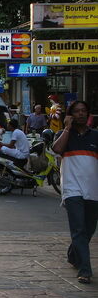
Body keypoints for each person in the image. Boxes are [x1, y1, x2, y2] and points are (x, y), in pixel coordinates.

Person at [53, 101, 98, 284]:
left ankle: (73, 254)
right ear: (70, 115)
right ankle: (85, 269)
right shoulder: (64, 135)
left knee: (88, 229)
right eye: (76, 112)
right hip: (72, 190)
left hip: (93, 190)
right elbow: (57, 149)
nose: (80, 114)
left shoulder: (95, 136)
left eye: (83, 111)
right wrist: (66, 128)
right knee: (78, 228)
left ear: (88, 115)